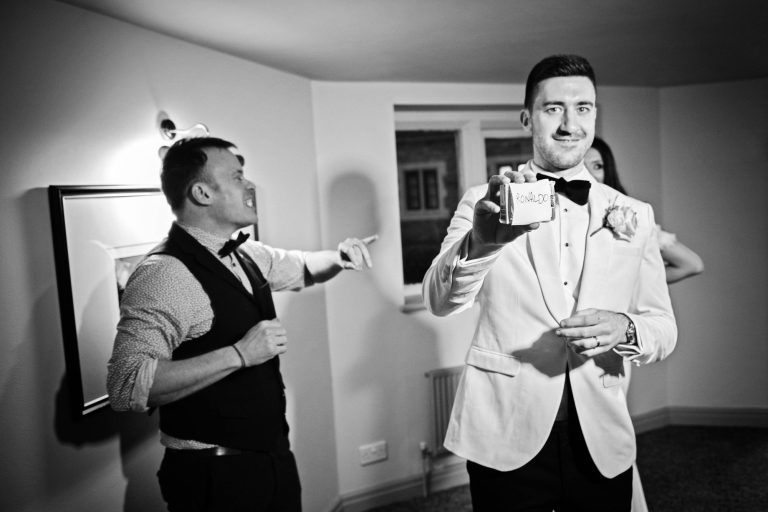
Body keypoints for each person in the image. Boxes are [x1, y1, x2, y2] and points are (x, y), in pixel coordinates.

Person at [422, 55, 677, 511]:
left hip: (601, 434)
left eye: (583, 108)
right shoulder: (482, 202)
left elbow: (663, 325)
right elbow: (440, 302)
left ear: (595, 115)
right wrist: (482, 244)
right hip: (505, 429)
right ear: (527, 118)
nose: (568, 124)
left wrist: (625, 327)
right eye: (553, 108)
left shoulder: (635, 214)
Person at [107, 136, 375, 511]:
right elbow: (126, 384)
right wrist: (239, 354)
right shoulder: (164, 275)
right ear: (202, 192)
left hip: (271, 457)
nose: (249, 185)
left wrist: (341, 256)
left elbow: (303, 266)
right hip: (214, 476)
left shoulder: (246, 253)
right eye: (236, 176)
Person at [585, 137, 704, 284]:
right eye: (581, 167)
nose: (589, 174)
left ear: (608, 171)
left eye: (597, 166)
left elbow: (692, 265)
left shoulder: (622, 215)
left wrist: (628, 285)